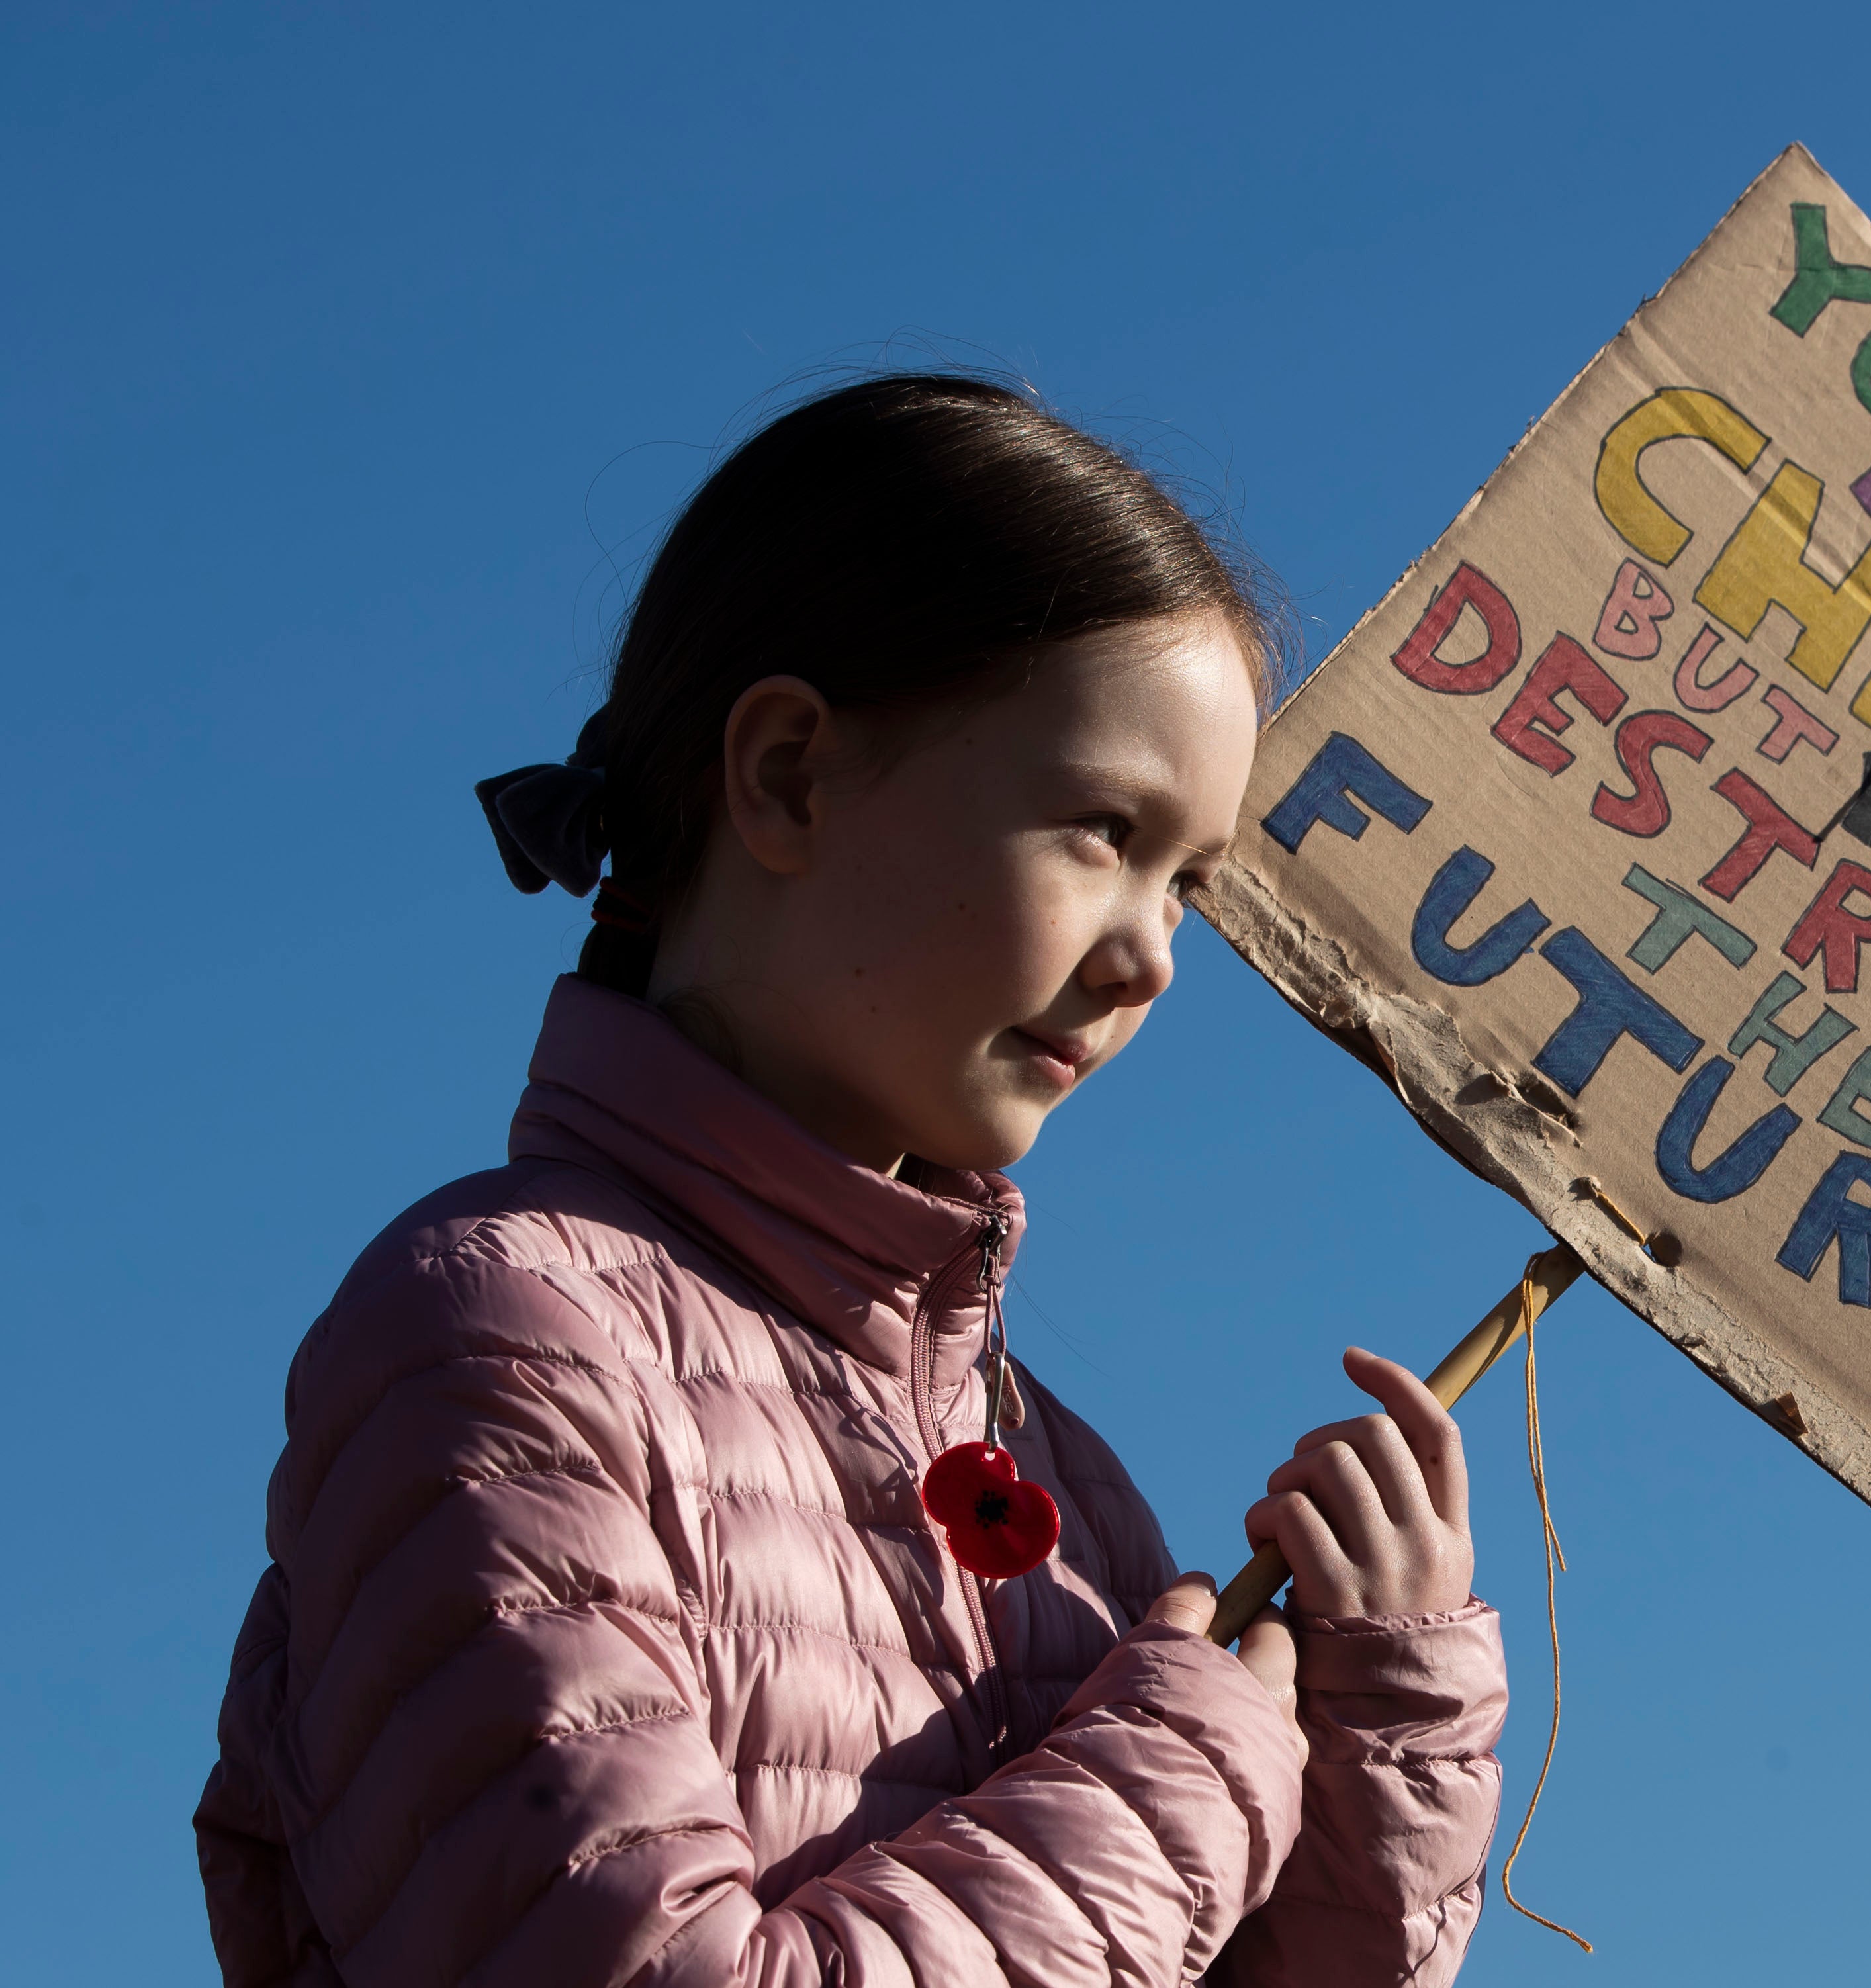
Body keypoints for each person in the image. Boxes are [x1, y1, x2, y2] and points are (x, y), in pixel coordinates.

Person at [194, 375, 1507, 1987]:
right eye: (1101, 828)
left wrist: (1380, 1724)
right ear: (790, 775)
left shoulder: (1064, 1488)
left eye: (1194, 884)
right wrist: (1186, 1772)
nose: (1151, 956)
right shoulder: (500, 1336)